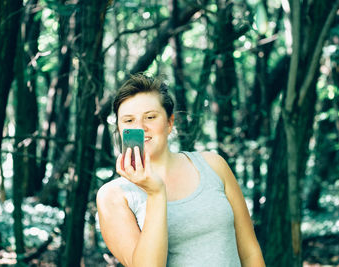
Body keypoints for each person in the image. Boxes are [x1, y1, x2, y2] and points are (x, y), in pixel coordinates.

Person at [96, 73, 265, 267]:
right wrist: (156, 193)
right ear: (119, 128)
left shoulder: (214, 165)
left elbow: (250, 253)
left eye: (150, 117)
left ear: (169, 123)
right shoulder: (113, 196)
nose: (141, 128)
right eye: (128, 121)